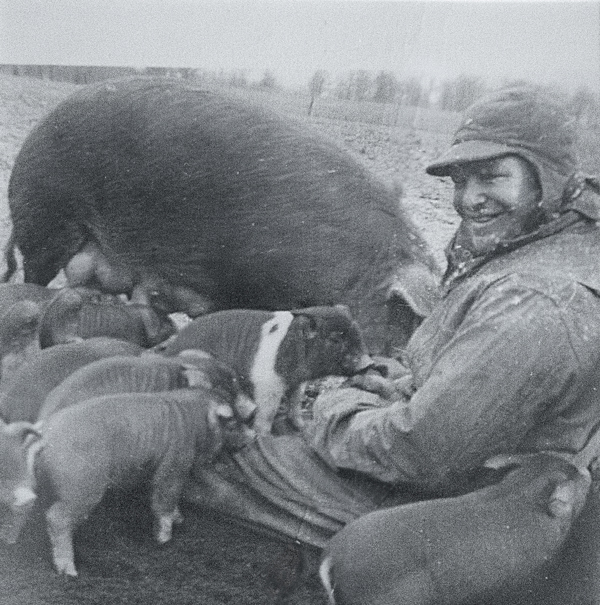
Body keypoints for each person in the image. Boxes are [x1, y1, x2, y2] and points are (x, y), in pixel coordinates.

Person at [185, 84, 600, 550]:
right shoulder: (562, 243)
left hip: (454, 506)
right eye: (461, 181)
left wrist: (332, 407)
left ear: (547, 177)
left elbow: (417, 453)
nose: (469, 199)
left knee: (213, 446)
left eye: (492, 177)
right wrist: (401, 389)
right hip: (504, 473)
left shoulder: (535, 303)